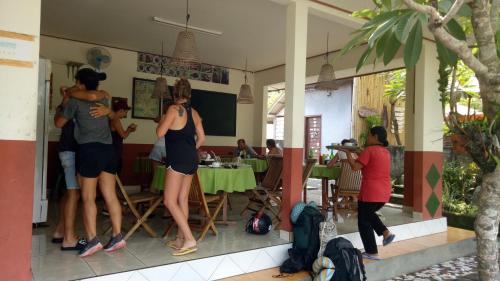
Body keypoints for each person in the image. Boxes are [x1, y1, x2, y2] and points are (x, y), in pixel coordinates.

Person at [55, 68, 125, 257]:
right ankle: (117, 236)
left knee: (88, 198)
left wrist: (66, 98)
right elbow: (94, 94)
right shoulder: (104, 99)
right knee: (110, 195)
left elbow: (59, 123)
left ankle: (93, 240)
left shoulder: (74, 101)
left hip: (89, 150)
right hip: (108, 150)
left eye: (77, 82)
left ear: (80, 84)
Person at [156, 78, 206, 256]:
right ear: (189, 94)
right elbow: (201, 139)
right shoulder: (194, 113)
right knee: (182, 199)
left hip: (177, 160)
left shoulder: (173, 109)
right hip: (192, 158)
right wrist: (190, 150)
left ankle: (190, 239)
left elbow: (160, 133)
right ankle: (180, 238)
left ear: (173, 94)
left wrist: (163, 119)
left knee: (169, 200)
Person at [338, 126, 395, 260]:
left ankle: (375, 248)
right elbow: (369, 162)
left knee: (364, 219)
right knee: (366, 216)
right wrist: (358, 152)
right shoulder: (385, 152)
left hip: (371, 192)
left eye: (369, 135)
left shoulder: (369, 151)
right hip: (384, 192)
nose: (367, 138)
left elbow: (354, 167)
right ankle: (383, 236)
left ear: (375, 137)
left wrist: (347, 153)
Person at [110, 99, 137, 174]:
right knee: (115, 175)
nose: (125, 115)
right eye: (125, 112)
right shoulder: (115, 119)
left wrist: (130, 130)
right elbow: (124, 135)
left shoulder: (111, 118)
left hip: (112, 150)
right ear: (121, 110)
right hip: (114, 152)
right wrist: (130, 128)